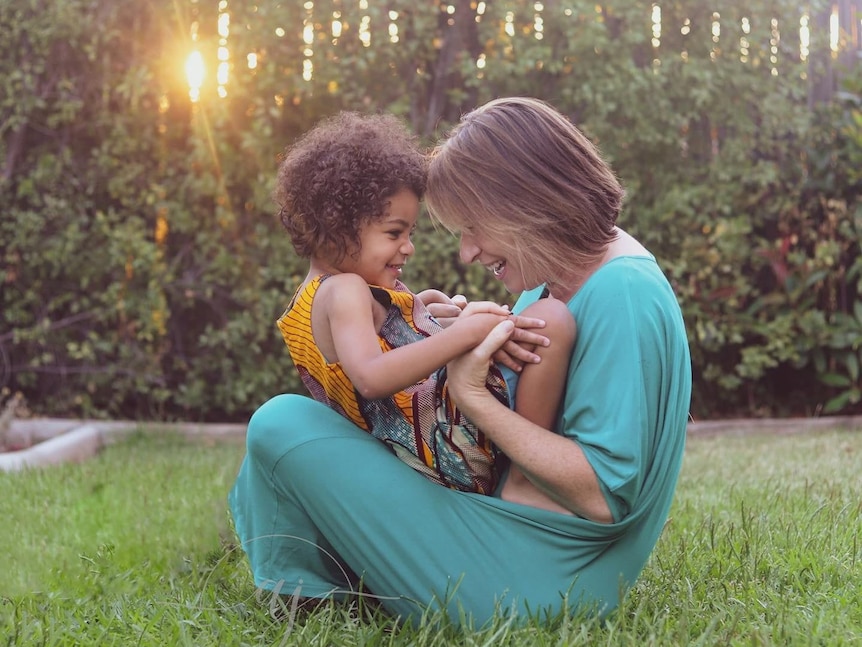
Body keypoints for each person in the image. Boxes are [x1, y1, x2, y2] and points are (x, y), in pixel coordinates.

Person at [228, 97, 692, 627]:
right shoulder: (560, 272)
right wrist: (450, 331)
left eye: (473, 226)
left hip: (536, 575)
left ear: (525, 203)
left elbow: (604, 496)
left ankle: (312, 584)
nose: (467, 252)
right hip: (504, 530)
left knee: (278, 424)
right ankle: (315, 585)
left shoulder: (623, 291)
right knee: (303, 417)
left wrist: (470, 392)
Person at [270, 111, 575, 495]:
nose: (407, 248)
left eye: (409, 233)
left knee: (497, 322)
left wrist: (421, 316)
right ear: (336, 227)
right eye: (394, 233)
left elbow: (377, 355)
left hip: (419, 459)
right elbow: (371, 377)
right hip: (451, 449)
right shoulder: (345, 289)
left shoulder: (312, 298)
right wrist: (462, 335)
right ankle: (525, 480)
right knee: (550, 319)